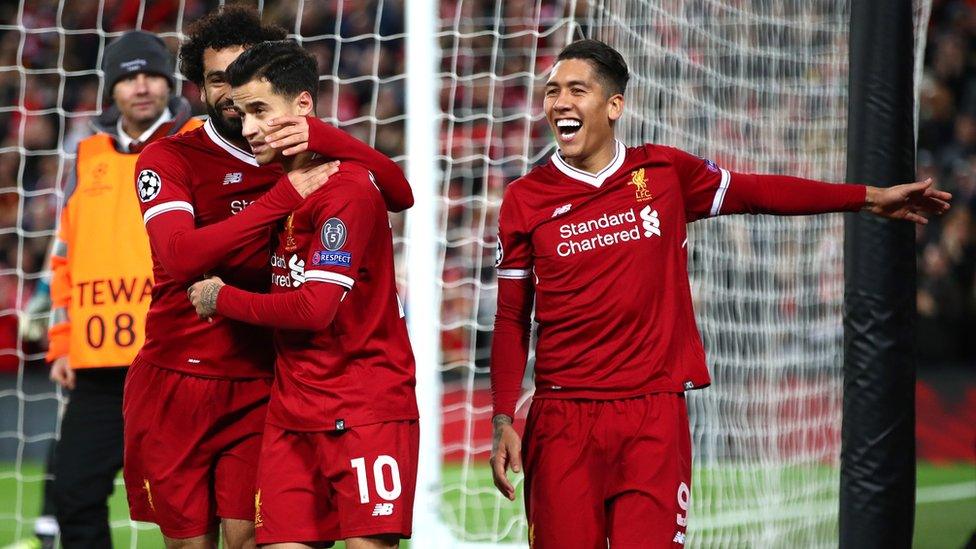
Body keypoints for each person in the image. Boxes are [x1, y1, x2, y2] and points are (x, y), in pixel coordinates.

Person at [488, 39, 952, 548]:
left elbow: (757, 192)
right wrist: (504, 416)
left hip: (653, 415)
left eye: (577, 90)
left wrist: (866, 198)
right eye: (552, 91)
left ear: (614, 105)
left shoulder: (662, 174)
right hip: (563, 419)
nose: (559, 103)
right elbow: (512, 319)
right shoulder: (524, 200)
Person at [122, 7, 413, 549]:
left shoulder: (294, 149)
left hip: (264, 380)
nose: (233, 96)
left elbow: (399, 191)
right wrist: (281, 199)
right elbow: (180, 258)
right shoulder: (170, 157)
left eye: (243, 80)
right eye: (217, 80)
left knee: (253, 540)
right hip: (175, 377)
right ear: (201, 88)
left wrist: (328, 135)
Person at [43, 30, 202, 548]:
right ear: (111, 89)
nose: (141, 87)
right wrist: (62, 340)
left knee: (192, 505)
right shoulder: (87, 156)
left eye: (151, 75)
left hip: (176, 358)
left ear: (169, 82)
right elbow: (65, 257)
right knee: (73, 496)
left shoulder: (199, 141)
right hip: (100, 367)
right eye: (128, 77)